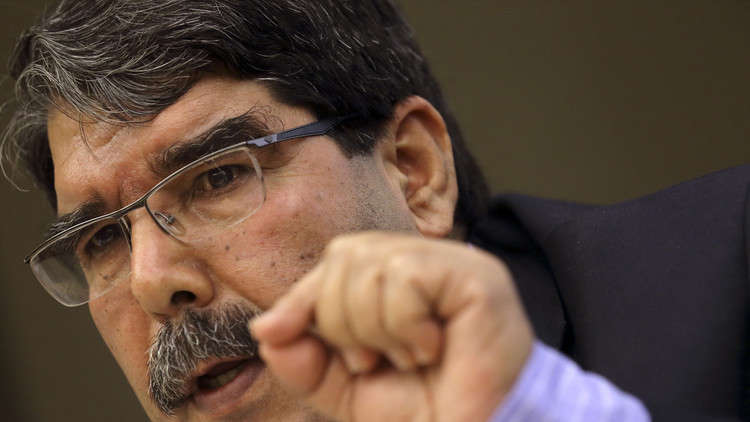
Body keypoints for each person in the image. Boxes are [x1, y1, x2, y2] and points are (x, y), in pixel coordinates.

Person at [2, 1, 746, 421]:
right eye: (102, 239)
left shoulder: (730, 275)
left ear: (414, 171)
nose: (150, 281)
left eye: (217, 177)